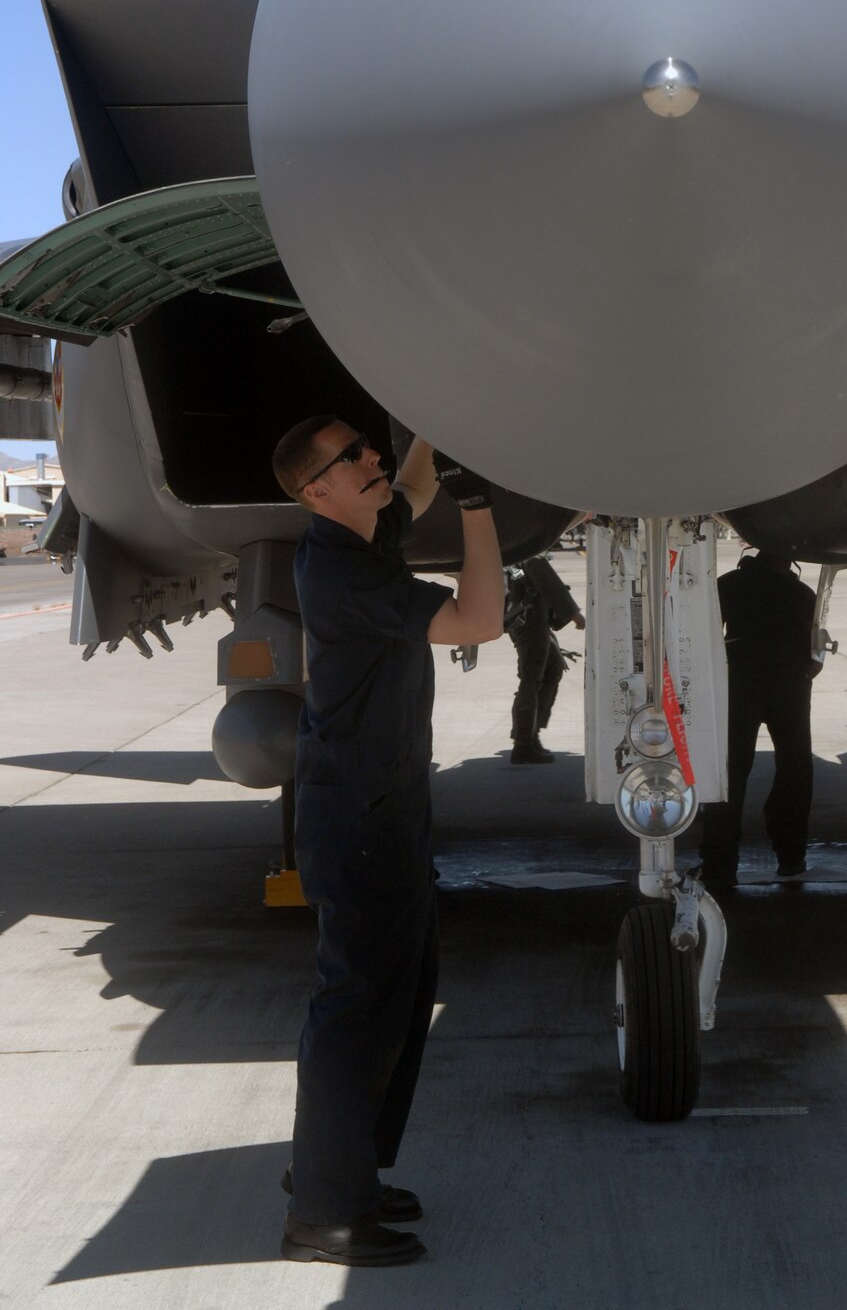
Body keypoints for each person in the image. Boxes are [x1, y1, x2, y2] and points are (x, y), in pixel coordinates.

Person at [270, 416, 504, 1268]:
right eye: (351, 458)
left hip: (380, 806)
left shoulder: (358, 536)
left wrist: (434, 427)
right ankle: (325, 1213)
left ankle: (342, 1172)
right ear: (315, 489)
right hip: (362, 820)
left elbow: (408, 489)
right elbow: (478, 620)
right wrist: (481, 509)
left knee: (397, 996)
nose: (371, 460)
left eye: (368, 445)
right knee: (359, 1008)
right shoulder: (345, 573)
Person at [699, 546, 819, 893]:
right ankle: (791, 854)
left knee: (729, 772)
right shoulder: (801, 593)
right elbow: (815, 654)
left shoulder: (728, 585)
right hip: (788, 686)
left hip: (738, 684)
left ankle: (719, 865)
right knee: (795, 768)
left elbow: (706, 638)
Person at [504, 551, 585, 763]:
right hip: (529, 622)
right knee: (531, 680)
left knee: (553, 668)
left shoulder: (523, 550)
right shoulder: (531, 553)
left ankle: (531, 733)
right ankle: (523, 744)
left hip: (533, 621)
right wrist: (575, 615)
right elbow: (551, 585)